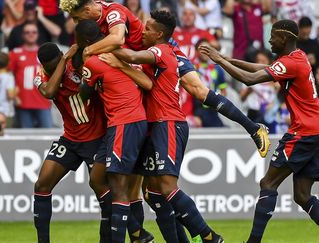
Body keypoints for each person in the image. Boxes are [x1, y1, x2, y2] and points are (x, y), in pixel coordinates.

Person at [60, 0, 270, 166]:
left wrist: (87, 51)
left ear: (87, 10)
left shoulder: (113, 12)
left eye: (77, 18)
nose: (77, 23)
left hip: (159, 51)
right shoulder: (92, 21)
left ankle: (254, 129)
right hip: (141, 60)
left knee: (199, 91)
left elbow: (116, 40)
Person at [199, 19, 319, 243]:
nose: (269, 39)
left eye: (274, 35)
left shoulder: (291, 63)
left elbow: (250, 79)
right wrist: (227, 60)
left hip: (303, 133)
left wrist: (220, 59)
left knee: (268, 183)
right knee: (302, 195)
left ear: (286, 38)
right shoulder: (298, 58)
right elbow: (261, 69)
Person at [110, 10, 224, 243]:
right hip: (156, 125)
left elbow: (130, 56)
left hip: (168, 123)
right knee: (153, 193)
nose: (144, 31)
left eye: (149, 28)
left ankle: (210, 236)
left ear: (159, 34)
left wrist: (103, 47)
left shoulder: (160, 50)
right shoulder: (161, 51)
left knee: (168, 187)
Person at [75, 20, 154, 243]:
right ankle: (138, 231)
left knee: (119, 186)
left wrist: (83, 71)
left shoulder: (93, 61)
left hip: (124, 122)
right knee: (97, 179)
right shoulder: (122, 53)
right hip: (126, 124)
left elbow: (83, 94)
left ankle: (133, 236)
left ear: (85, 42)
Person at [32, 43, 107, 243]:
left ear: (60, 56)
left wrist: (70, 60)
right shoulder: (42, 76)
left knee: (103, 192)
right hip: (71, 139)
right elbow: (48, 93)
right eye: (49, 67)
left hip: (97, 139)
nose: (53, 69)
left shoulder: (78, 67)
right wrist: (63, 61)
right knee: (42, 184)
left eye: (56, 63)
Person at [9, 22, 52, 128]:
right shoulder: (15, 53)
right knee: (26, 139)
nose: (31, 34)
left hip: (43, 102)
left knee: (48, 137)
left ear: (38, 34)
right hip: (23, 102)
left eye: (34, 32)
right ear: (23, 35)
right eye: (27, 32)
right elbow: (8, 76)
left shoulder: (45, 53)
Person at [194, 38, 226, 127]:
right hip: (197, 109)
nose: (204, 52)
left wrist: (219, 103)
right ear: (196, 51)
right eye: (202, 49)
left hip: (213, 109)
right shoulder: (192, 69)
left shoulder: (217, 69)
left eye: (207, 49)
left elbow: (223, 90)